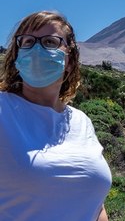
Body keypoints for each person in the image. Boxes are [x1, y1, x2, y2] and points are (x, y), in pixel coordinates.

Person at [0, 11, 112, 220]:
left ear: (70, 59)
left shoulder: (81, 122)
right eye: (28, 42)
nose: (37, 49)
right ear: (17, 56)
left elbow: (95, 206)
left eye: (50, 42)